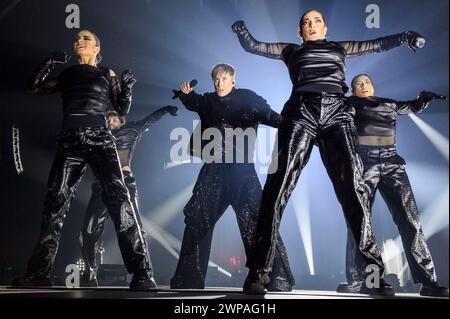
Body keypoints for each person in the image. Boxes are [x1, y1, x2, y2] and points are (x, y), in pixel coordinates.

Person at [232, 9, 425, 295]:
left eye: (317, 21)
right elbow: (254, 46)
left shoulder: (339, 48)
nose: (311, 25)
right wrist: (242, 31)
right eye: (306, 22)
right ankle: (259, 274)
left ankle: (372, 278)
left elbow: (376, 43)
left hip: (338, 113)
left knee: (355, 192)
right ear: (300, 32)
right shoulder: (291, 50)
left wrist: (405, 37)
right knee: (277, 188)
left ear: (325, 28)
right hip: (301, 112)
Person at [12, 30, 155, 290]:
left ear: (97, 48)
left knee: (119, 200)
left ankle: (142, 273)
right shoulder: (67, 74)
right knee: (55, 203)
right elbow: (34, 87)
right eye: (77, 38)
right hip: (70, 141)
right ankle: (38, 273)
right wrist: (48, 63)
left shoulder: (106, 73)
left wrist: (128, 90)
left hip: (101, 140)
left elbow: (121, 110)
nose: (79, 41)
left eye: (86, 38)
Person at [170, 63, 295, 292]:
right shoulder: (207, 101)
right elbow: (194, 102)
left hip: (242, 173)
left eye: (224, 78)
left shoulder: (248, 98)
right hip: (213, 171)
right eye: (216, 78)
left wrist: (295, 123)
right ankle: (189, 278)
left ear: (233, 80)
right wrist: (185, 95)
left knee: (257, 223)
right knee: (197, 219)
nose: (220, 82)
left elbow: (272, 117)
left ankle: (275, 277)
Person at [336, 74, 449, 298]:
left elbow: (413, 106)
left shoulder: (389, 104)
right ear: (353, 90)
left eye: (366, 82)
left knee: (411, 221)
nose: (363, 85)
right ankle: (357, 279)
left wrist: (423, 98)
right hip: (364, 163)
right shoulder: (348, 105)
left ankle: (428, 282)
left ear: (373, 85)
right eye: (358, 83)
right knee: (359, 222)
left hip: (392, 164)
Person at [80, 105, 178, 287]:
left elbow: (149, 120)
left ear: (121, 121)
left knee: (132, 228)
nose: (110, 122)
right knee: (88, 229)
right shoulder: (97, 138)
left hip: (123, 182)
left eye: (114, 119)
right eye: (107, 120)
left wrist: (164, 109)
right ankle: (90, 271)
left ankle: (144, 274)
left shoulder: (131, 129)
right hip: (101, 185)